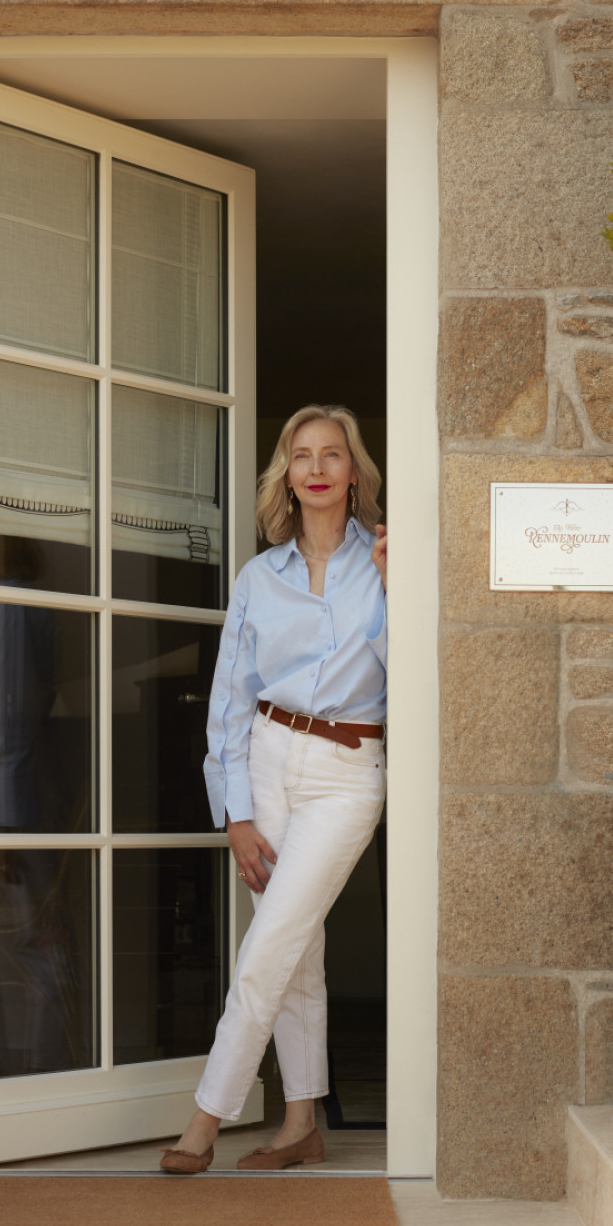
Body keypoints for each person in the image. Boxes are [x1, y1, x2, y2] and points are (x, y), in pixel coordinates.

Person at [160, 403, 388, 1174]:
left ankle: (205, 1116)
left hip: (348, 773)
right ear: (287, 474)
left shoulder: (388, 561)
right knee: (297, 951)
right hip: (267, 760)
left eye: (333, 454)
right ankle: (300, 1123)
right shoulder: (261, 577)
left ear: (354, 471)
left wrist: (395, 587)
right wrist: (236, 813)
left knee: (270, 944)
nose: (317, 468)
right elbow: (230, 698)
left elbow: (412, 673)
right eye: (302, 455)